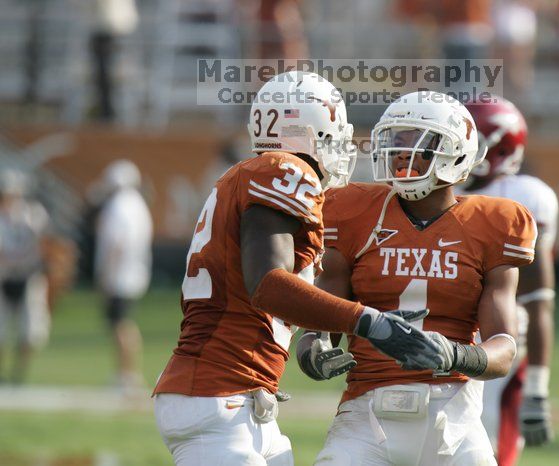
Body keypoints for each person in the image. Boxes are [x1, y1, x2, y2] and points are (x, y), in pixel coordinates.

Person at [152, 72, 443, 466]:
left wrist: (315, 338)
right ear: (309, 130)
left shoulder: (251, 176)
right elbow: (269, 286)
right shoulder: (285, 171)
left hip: (237, 395)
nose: (341, 143)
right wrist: (370, 322)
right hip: (218, 395)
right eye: (335, 131)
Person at [296, 91, 538, 466]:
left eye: (418, 143)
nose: (401, 154)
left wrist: (455, 353)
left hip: (453, 414)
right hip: (366, 414)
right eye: (396, 141)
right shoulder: (352, 210)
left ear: (457, 152)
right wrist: (312, 346)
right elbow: (323, 316)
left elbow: (504, 348)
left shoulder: (495, 221)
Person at [461, 96, 558, 465]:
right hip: (438, 335)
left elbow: (539, 298)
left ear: (499, 146)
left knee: (486, 450)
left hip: (494, 345)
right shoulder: (436, 191)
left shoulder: (522, 197)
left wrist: (537, 389)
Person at [94, 159, 153, 391]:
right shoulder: (138, 204)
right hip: (133, 272)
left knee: (120, 324)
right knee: (123, 323)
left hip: (119, 274)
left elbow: (116, 244)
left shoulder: (119, 205)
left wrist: (106, 274)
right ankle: (126, 373)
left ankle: (127, 374)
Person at [0, 169, 51, 384]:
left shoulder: (33, 214)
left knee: (30, 331)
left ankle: (19, 374)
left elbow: (44, 243)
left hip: (28, 276)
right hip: (3, 278)